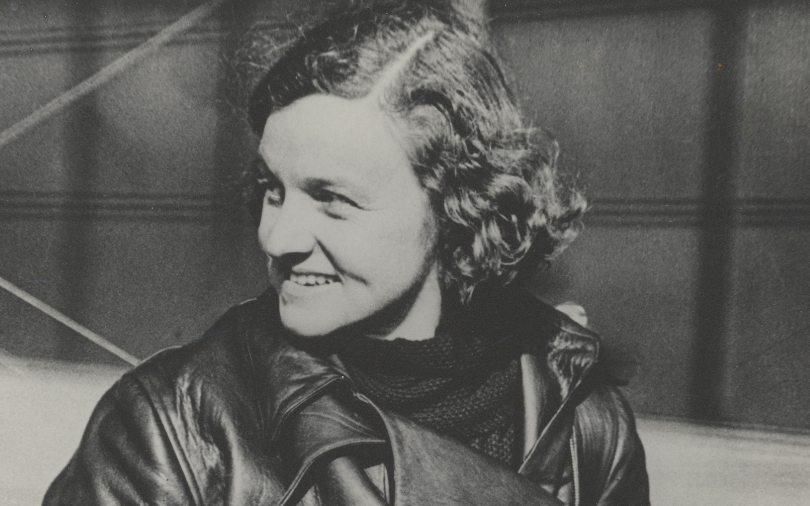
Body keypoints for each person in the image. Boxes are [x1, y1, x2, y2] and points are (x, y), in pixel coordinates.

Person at [44, 1, 649, 505]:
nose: (277, 238)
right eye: (272, 190)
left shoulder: (586, 425)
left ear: (456, 207)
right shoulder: (166, 430)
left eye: (332, 200)